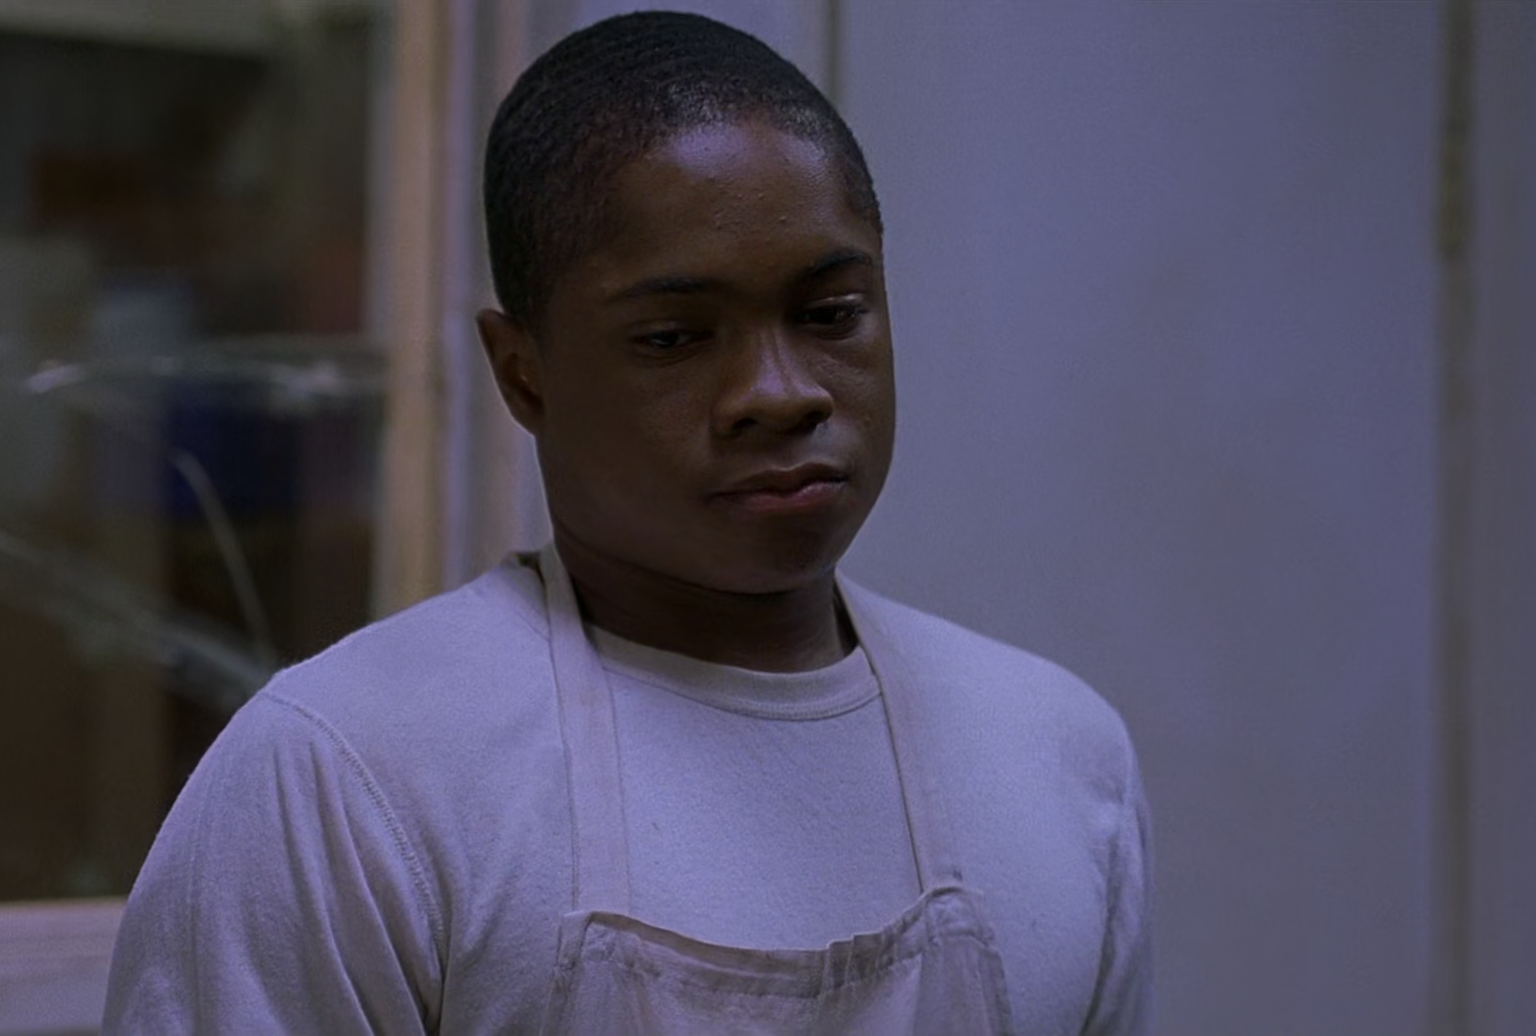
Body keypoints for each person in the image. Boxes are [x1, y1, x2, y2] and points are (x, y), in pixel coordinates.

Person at [103, 11, 1151, 1033]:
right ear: (523, 374)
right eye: (673, 337)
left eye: (829, 314)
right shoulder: (351, 776)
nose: (780, 391)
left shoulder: (1051, 752)